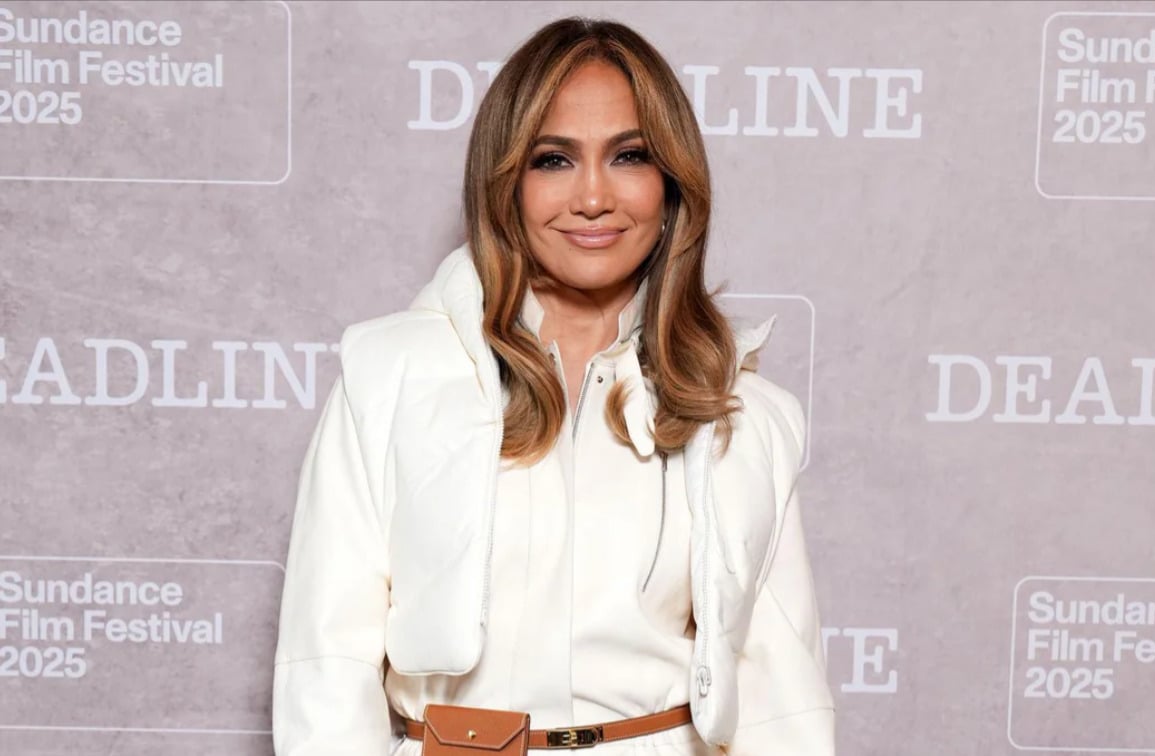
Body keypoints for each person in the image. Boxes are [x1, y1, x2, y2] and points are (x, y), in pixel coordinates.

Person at [272, 16, 834, 756]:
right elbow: (326, 664)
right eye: (554, 160)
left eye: (629, 155)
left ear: (671, 184)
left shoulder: (743, 414)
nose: (594, 197)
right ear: (505, 180)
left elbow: (779, 691)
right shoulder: (390, 374)